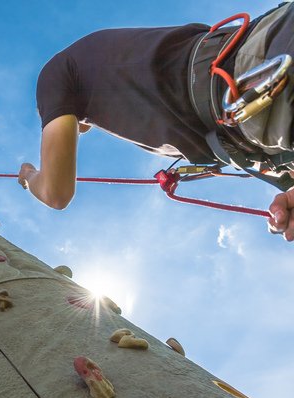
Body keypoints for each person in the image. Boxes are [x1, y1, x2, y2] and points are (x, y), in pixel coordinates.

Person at [18, 2, 294, 242]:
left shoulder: (53, 76)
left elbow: (56, 193)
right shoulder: (113, 58)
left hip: (253, 81)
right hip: (261, 60)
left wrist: (30, 175)